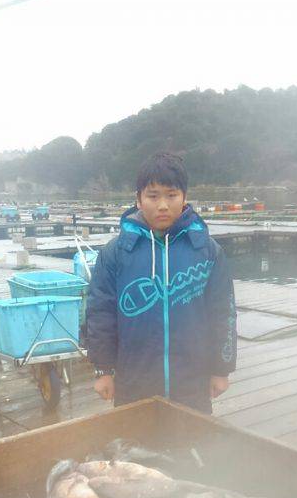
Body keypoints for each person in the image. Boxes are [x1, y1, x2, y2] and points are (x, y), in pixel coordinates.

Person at [86, 152, 237, 413]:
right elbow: (100, 313)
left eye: (171, 195)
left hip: (192, 382)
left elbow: (223, 312)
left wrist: (221, 369)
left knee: (192, 447)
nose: (163, 205)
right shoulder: (116, 252)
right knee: (134, 449)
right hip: (134, 382)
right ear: (138, 199)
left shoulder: (207, 251)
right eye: (153, 196)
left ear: (185, 197)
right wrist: (103, 369)